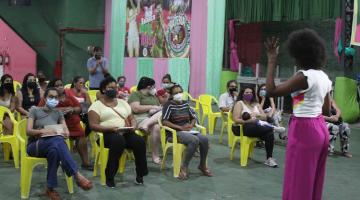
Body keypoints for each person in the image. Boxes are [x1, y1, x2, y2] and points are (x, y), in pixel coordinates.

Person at [264, 29, 332, 200]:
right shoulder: (324, 77)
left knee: (298, 180)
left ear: (299, 54)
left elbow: (271, 91)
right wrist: (305, 100)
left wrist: (271, 60)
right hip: (321, 129)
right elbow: (326, 110)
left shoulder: (304, 76)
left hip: (305, 129)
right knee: (314, 179)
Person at [27, 87, 92, 199]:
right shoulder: (35, 110)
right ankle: (76, 174)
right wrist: (42, 131)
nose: (54, 99)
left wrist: (65, 133)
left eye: (56, 97)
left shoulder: (58, 113)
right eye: (51, 97)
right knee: (57, 140)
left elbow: (65, 129)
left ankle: (50, 188)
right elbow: (28, 131)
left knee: (55, 150)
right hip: (36, 145)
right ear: (45, 98)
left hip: (52, 145)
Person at [88, 77, 148, 187]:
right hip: (106, 134)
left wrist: (134, 125)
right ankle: (110, 176)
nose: (114, 90)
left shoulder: (122, 102)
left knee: (139, 141)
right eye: (111, 87)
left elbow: (132, 118)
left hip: (125, 132)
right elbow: (93, 125)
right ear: (103, 89)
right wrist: (110, 129)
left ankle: (140, 174)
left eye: (115, 87)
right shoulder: (96, 106)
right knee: (118, 140)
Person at [38, 79, 93, 170]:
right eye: (57, 85)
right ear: (52, 88)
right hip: (55, 125)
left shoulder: (68, 96)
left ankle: (85, 162)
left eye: (61, 85)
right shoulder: (47, 97)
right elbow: (40, 111)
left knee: (81, 134)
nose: (60, 87)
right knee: (59, 138)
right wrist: (58, 111)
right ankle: (64, 163)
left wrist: (72, 110)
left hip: (71, 122)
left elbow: (79, 108)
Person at [162, 84, 212, 180]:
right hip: (174, 132)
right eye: (176, 93)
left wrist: (191, 124)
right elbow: (164, 121)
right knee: (194, 140)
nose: (179, 94)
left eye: (180, 92)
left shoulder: (185, 103)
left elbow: (193, 117)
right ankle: (184, 166)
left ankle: (202, 165)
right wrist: (180, 128)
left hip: (188, 131)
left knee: (204, 139)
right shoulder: (168, 105)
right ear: (171, 95)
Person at [232, 87, 278, 167]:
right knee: (253, 126)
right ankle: (272, 127)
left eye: (250, 92)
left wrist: (257, 115)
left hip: (256, 127)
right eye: (246, 92)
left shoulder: (256, 104)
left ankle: (269, 158)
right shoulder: (239, 103)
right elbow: (236, 120)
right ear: (242, 94)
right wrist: (249, 121)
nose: (249, 94)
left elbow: (264, 117)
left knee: (269, 134)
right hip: (241, 128)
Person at [128, 77, 162, 164]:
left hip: (152, 117)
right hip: (139, 118)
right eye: (154, 86)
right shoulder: (136, 94)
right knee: (156, 126)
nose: (155, 88)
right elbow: (135, 108)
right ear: (148, 87)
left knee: (162, 114)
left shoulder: (153, 96)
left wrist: (154, 109)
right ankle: (146, 124)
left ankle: (155, 156)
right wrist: (152, 107)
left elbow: (158, 108)